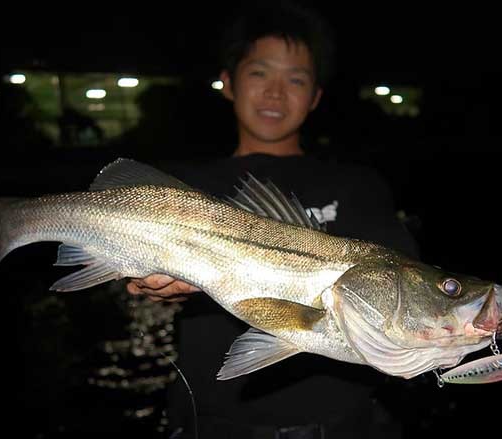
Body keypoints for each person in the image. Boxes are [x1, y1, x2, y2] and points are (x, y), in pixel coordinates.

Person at [127, 2, 419, 437]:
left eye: (296, 79)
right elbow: (135, 266)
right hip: (213, 427)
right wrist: (145, 280)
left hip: (342, 427)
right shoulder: (184, 190)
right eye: (260, 73)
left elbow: (406, 301)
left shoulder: (359, 185)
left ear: (316, 96)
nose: (276, 93)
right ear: (227, 82)